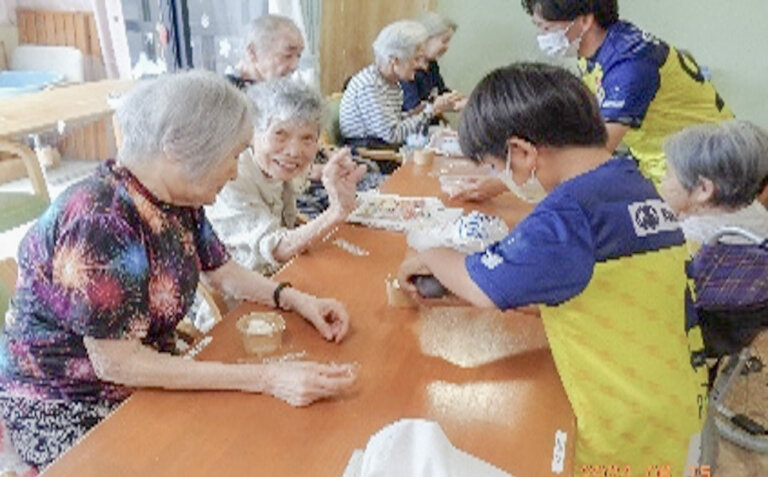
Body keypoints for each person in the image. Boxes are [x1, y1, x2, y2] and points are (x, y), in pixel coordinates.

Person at [0, 72, 356, 470]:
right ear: (177, 148)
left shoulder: (177, 198)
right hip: (71, 401)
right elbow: (116, 364)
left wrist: (296, 299)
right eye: (233, 154)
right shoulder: (100, 219)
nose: (236, 171)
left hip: (149, 371)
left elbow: (221, 271)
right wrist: (268, 377)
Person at [398, 63, 707, 474]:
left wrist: (425, 245)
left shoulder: (570, 214)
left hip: (628, 426)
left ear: (522, 153)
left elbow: (482, 287)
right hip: (675, 400)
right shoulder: (627, 182)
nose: (498, 178)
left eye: (494, 167)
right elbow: (581, 288)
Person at [522, 0, 734, 187]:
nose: (542, 37)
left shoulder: (630, 64)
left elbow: (595, 151)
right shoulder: (600, 47)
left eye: (547, 28)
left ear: (585, 21)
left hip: (704, 171)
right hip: (660, 164)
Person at [206, 79, 366, 275]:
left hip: (282, 274)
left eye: (307, 138)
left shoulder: (280, 169)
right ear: (252, 132)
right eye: (280, 134)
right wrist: (337, 211)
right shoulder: (231, 177)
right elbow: (276, 248)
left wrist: (337, 184)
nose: (294, 151)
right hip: (242, 297)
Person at [339, 20, 459, 149]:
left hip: (385, 148)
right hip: (371, 154)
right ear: (395, 61)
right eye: (416, 59)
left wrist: (416, 112)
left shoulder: (391, 82)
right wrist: (431, 111)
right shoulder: (370, 86)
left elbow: (393, 121)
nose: (420, 65)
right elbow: (393, 134)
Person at [660, 119, 768, 250]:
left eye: (669, 173)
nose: (662, 178)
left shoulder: (685, 239)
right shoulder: (758, 213)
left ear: (704, 189)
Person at [400, 12, 465, 113]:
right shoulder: (405, 69)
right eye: (444, 41)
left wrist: (460, 100)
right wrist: (438, 104)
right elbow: (412, 109)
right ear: (425, 38)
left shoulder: (432, 65)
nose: (447, 47)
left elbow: (441, 91)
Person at [227, 14, 304, 89]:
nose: (294, 66)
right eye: (288, 55)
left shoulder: (280, 88)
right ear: (253, 52)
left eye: (298, 56)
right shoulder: (227, 94)